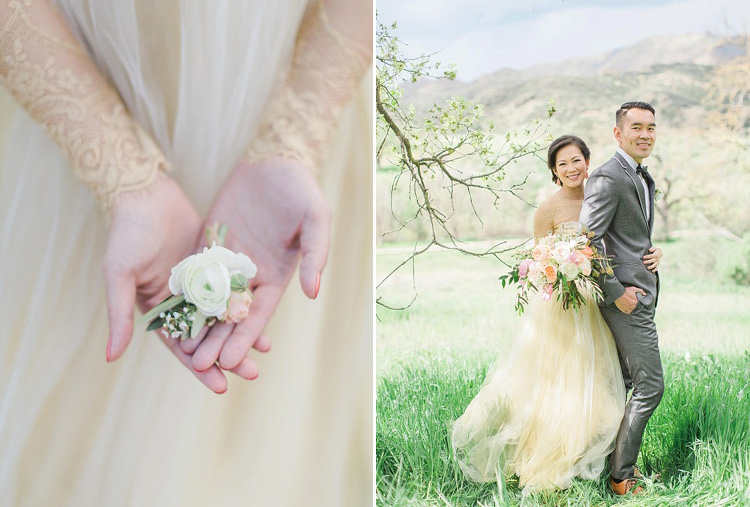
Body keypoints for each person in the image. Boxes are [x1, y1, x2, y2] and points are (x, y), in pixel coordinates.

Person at [0, 0, 372, 505]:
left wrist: (295, 136)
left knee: (267, 437)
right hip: (81, 92)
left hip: (299, 89)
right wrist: (119, 172)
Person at [452, 135, 658, 492]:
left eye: (576, 160)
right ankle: (555, 455)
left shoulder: (603, 192)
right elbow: (538, 258)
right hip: (562, 306)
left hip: (600, 300)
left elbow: (625, 240)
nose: (571, 168)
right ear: (553, 171)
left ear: (587, 161)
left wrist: (652, 255)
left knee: (600, 382)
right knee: (561, 383)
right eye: (562, 164)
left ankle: (592, 455)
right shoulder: (548, 209)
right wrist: (559, 269)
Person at [580, 101, 663, 496]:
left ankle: (605, 466)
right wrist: (616, 294)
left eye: (650, 127)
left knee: (625, 382)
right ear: (618, 133)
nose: (645, 134)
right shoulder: (608, 177)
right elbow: (586, 242)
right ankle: (621, 479)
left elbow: (626, 237)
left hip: (642, 293)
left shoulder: (640, 176)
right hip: (626, 302)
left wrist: (652, 253)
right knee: (651, 386)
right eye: (636, 127)